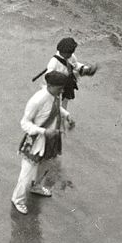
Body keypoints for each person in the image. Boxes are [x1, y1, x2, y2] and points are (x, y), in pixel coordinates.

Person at [11, 72, 75, 215]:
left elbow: (56, 106)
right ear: (50, 86)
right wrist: (43, 131)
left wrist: (66, 115)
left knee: (44, 166)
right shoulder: (37, 100)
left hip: (51, 140)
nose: (62, 92)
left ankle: (36, 186)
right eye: (60, 89)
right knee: (26, 174)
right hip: (36, 142)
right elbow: (24, 123)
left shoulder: (54, 94)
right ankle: (18, 199)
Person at [44, 37, 98, 108]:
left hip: (68, 81)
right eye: (68, 54)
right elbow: (48, 75)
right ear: (62, 52)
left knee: (65, 99)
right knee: (55, 101)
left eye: (71, 53)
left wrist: (83, 68)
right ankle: (56, 113)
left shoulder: (71, 56)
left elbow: (75, 65)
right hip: (57, 84)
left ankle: (63, 113)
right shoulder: (54, 62)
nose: (69, 56)